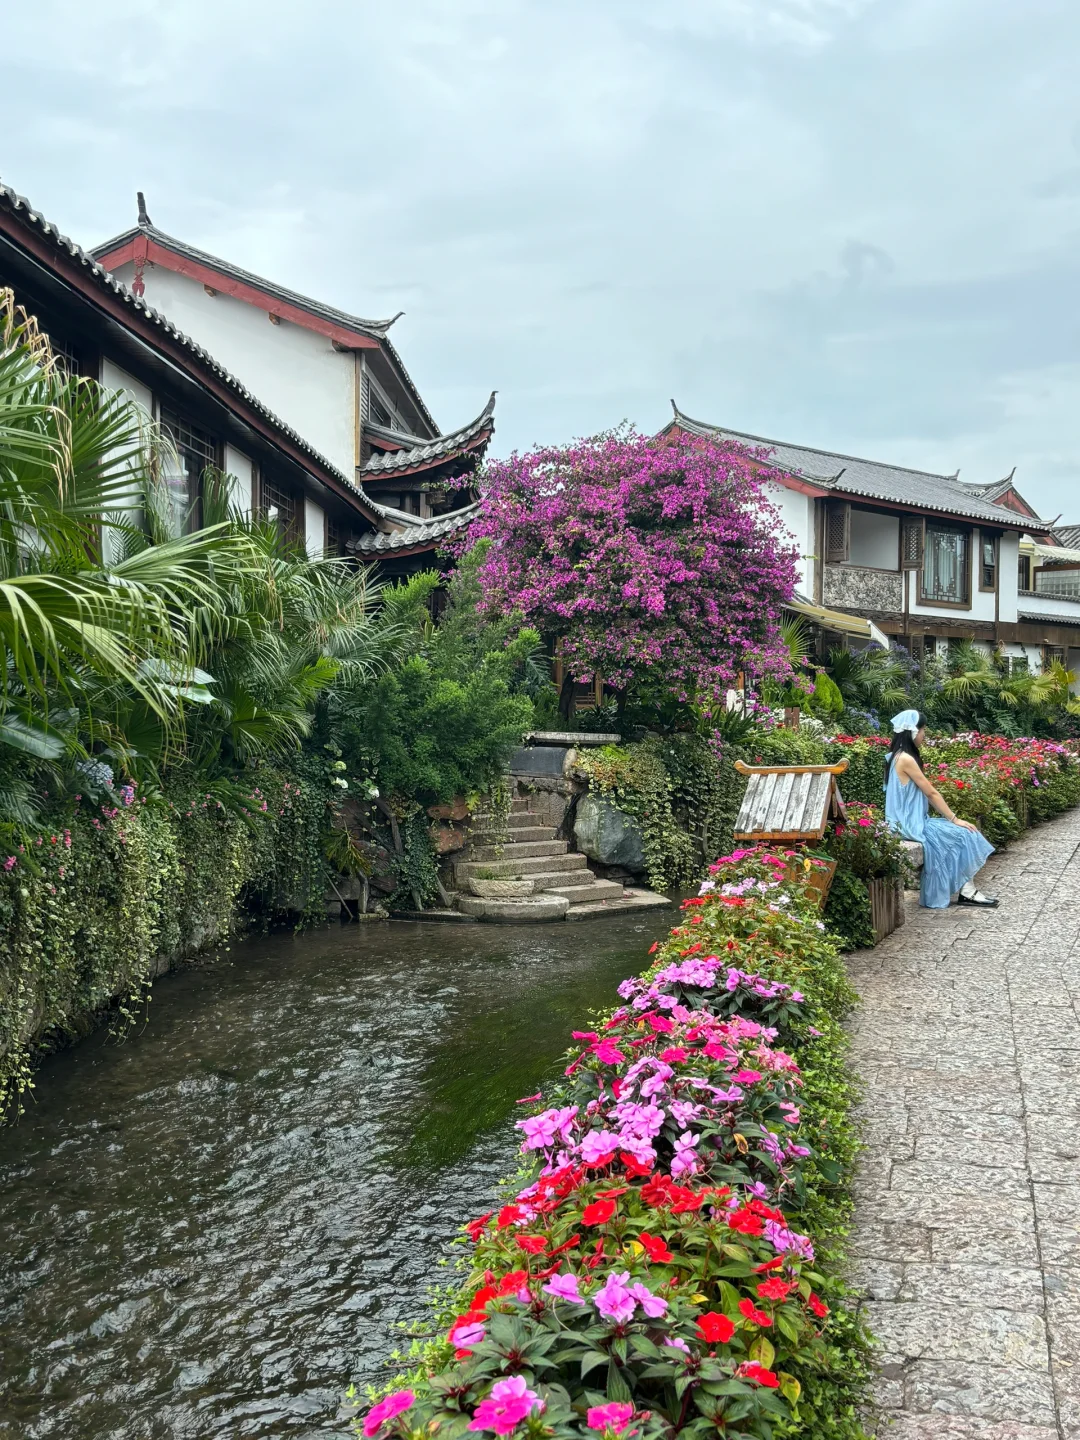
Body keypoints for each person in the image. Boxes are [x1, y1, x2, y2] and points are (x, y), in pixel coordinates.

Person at [883, 708, 998, 909]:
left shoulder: (895, 756)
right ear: (912, 732)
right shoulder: (906, 759)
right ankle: (968, 892)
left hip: (907, 821)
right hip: (910, 824)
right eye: (922, 730)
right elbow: (931, 793)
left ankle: (967, 890)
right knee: (963, 832)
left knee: (961, 834)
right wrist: (954, 819)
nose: (924, 735)